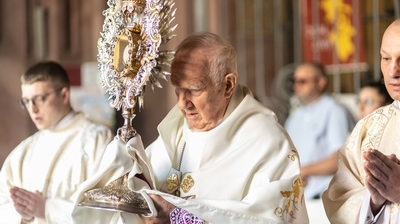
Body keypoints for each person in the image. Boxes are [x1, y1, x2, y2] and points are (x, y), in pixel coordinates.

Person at [72, 32, 309, 223]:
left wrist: (179, 217)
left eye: (194, 90)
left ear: (227, 85)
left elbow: (272, 220)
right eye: (177, 90)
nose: (182, 103)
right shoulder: (177, 129)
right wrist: (128, 169)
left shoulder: (267, 141)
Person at [0, 61, 113, 223]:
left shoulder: (96, 140)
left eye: (40, 99)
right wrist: (21, 215)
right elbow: (2, 203)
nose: (32, 109)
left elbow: (108, 209)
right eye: (26, 101)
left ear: (64, 95)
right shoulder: (24, 151)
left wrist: (46, 209)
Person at [322, 18, 400, 223]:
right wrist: (373, 201)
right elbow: (339, 198)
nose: (393, 71)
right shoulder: (369, 126)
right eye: (386, 58)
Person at [285, 61, 355, 200]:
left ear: (320, 82)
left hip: (325, 196)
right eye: (295, 81)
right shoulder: (294, 117)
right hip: (298, 197)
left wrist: (302, 171)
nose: (296, 85)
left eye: (303, 81)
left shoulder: (334, 111)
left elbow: (340, 159)